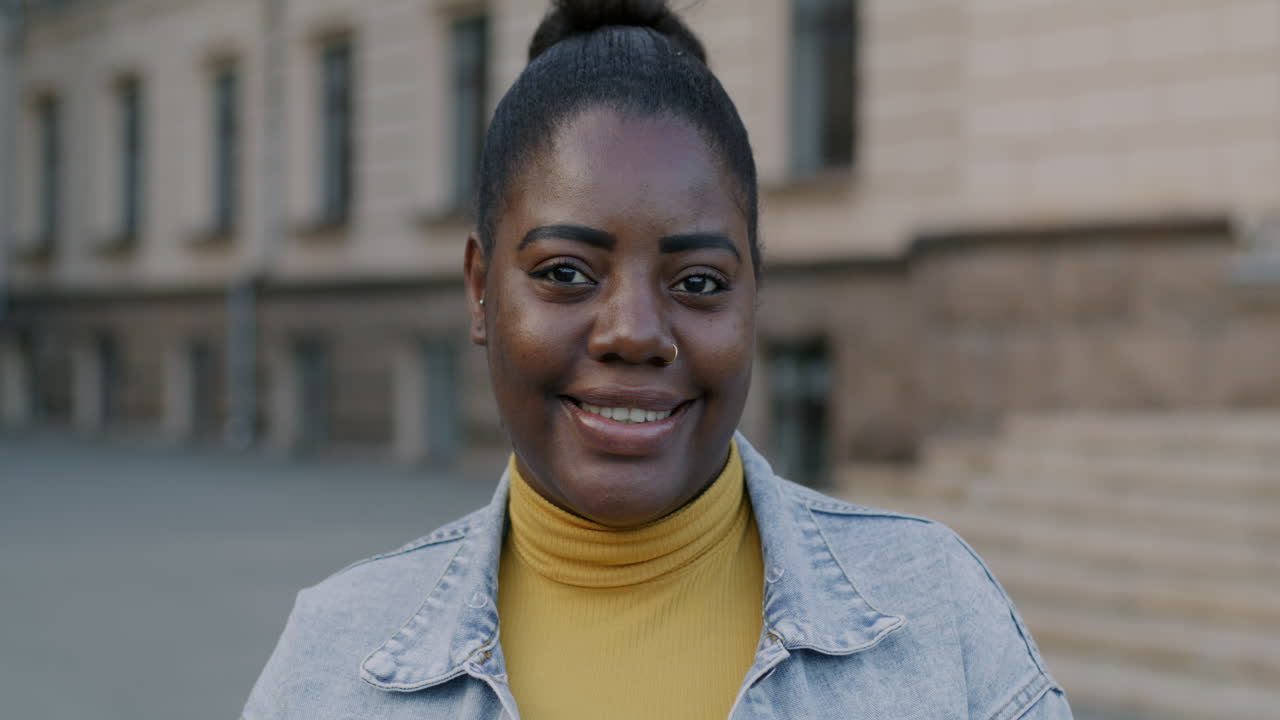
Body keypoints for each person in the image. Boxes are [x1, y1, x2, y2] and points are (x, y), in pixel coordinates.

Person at [242, 1, 1073, 718]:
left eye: (700, 280)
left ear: (756, 295)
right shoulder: (335, 659)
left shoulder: (935, 613)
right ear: (480, 291)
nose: (635, 333)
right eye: (565, 273)